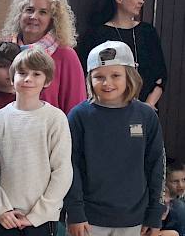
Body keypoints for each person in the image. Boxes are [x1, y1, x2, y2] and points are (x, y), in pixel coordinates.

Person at [64, 41, 165, 236]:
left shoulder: (146, 116)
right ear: (89, 79)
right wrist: (75, 212)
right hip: (88, 219)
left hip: (135, 219)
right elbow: (70, 166)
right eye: (99, 77)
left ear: (130, 76)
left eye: (116, 75)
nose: (107, 83)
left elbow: (157, 167)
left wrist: (155, 213)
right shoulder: (78, 116)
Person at [0, 48, 72, 236]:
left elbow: (62, 171)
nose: (28, 79)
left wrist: (37, 215)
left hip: (42, 218)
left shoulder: (55, 118)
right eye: (22, 73)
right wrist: (0, 209)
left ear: (47, 80)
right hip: (5, 216)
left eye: (36, 74)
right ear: (12, 77)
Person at [78, 0, 167, 108]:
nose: (141, 1)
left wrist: (149, 105)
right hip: (106, 107)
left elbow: (161, 74)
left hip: (144, 107)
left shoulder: (147, 31)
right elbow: (85, 73)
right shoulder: (97, 33)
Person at [0, 0, 86, 113]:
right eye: (29, 10)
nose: (34, 16)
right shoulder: (4, 50)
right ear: (19, 14)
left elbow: (75, 104)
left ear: (53, 19)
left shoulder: (65, 55)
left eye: (43, 12)